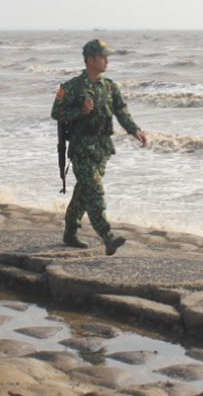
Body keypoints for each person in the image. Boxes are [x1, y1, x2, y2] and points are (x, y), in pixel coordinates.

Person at [50, 38, 147, 255]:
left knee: (83, 193)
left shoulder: (109, 87)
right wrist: (80, 112)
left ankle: (70, 232)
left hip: (102, 149)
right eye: (103, 57)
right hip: (81, 148)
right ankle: (107, 237)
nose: (106, 61)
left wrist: (135, 130)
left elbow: (121, 111)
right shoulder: (72, 87)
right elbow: (56, 113)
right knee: (95, 193)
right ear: (90, 60)